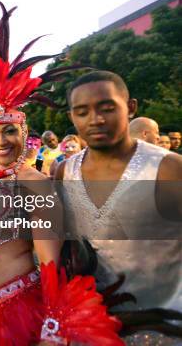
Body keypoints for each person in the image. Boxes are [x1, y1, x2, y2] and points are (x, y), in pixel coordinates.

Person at [0, 3, 122, 345]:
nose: (0, 141)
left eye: (9, 131)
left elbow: (50, 262)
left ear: (24, 134)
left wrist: (51, 324)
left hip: (18, 310)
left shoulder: (35, 184)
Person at [56, 70, 182, 342]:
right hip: (91, 329)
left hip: (165, 329)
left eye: (107, 108)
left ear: (131, 107)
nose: (96, 120)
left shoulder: (167, 169)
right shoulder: (64, 172)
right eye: (82, 111)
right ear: (71, 117)